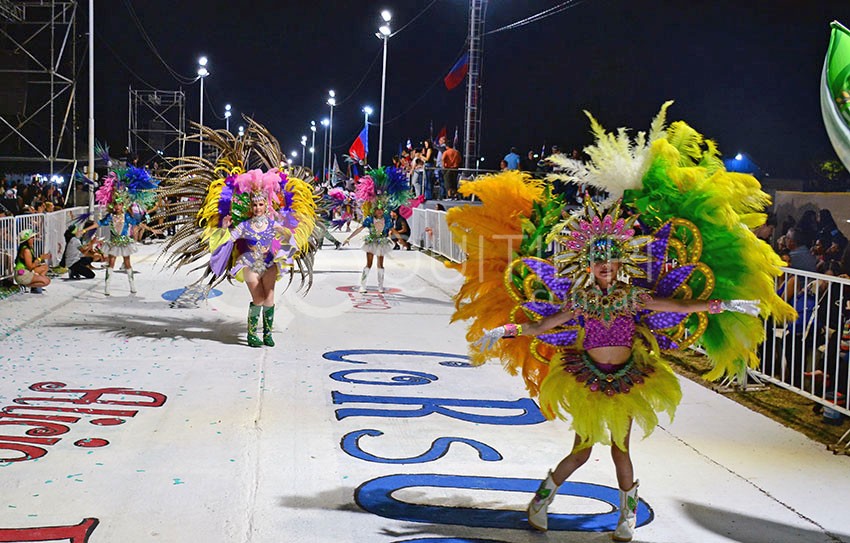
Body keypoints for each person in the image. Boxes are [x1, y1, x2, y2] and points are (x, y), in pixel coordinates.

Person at [446, 104, 794, 542]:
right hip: (587, 378)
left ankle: (625, 516)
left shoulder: (635, 296)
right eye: (599, 267)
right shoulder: (580, 300)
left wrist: (726, 306)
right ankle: (541, 501)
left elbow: (684, 307)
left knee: (621, 449)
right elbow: (541, 326)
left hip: (628, 378)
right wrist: (500, 333)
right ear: (588, 268)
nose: (606, 272)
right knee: (582, 449)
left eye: (611, 265)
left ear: (621, 265)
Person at [220, 190, 298, 347]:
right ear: (251, 207)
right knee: (259, 298)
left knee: (269, 298)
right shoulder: (244, 225)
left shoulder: (272, 224)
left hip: (269, 264)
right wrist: (224, 228)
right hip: (249, 263)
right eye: (254, 205)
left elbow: (289, 237)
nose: (257, 208)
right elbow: (229, 240)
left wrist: (288, 228)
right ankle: (252, 334)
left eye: (261, 204)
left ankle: (267, 334)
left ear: (266, 206)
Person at [343, 205, 393, 293]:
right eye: (377, 210)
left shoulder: (387, 219)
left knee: (380, 265)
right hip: (371, 242)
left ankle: (380, 286)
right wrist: (349, 238)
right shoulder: (369, 219)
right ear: (374, 211)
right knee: (369, 264)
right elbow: (360, 229)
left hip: (381, 243)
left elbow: (393, 230)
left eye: (381, 210)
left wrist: (401, 238)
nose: (379, 212)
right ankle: (362, 285)